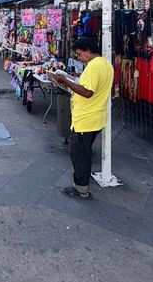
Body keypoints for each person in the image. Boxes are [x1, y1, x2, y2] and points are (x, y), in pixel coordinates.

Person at [48, 36, 113, 200]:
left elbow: (87, 92)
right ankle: (83, 181)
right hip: (96, 117)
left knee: (79, 155)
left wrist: (65, 81)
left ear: (88, 51)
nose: (79, 58)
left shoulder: (94, 67)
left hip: (85, 119)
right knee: (84, 153)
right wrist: (74, 78)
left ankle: (81, 189)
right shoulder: (105, 64)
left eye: (79, 54)